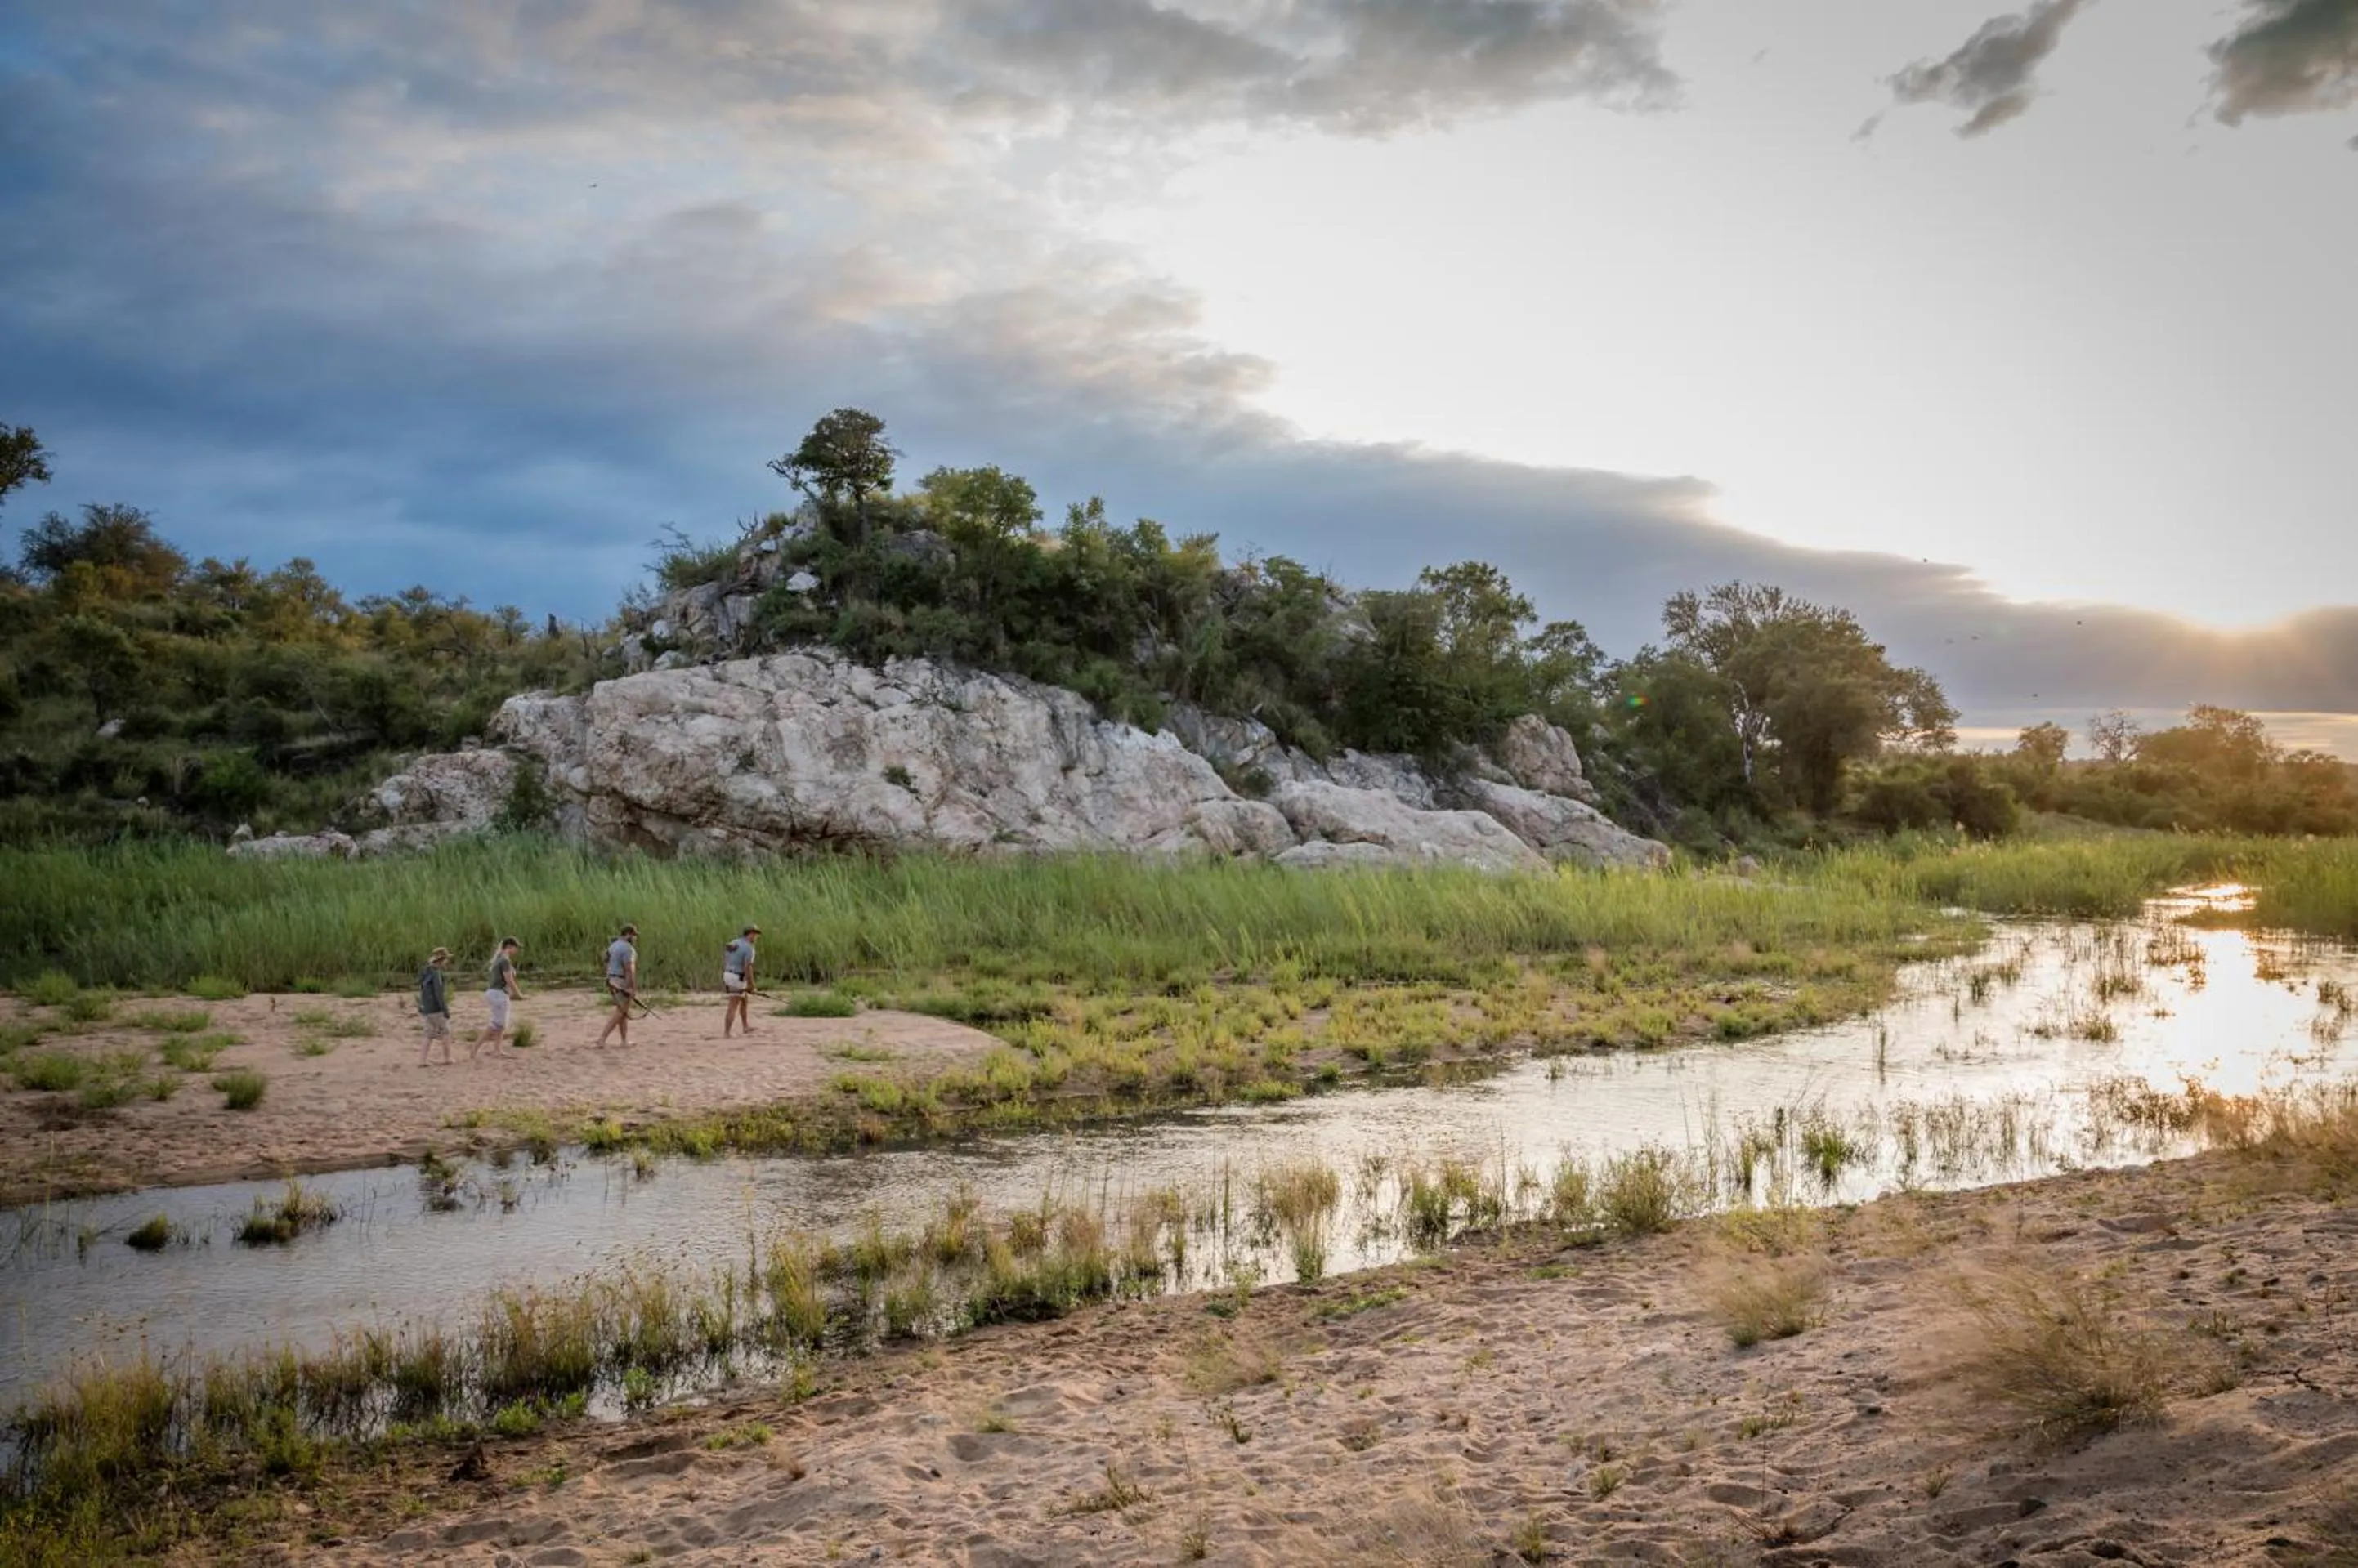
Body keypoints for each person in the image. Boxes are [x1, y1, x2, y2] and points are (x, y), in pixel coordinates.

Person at [472, 937, 525, 1062]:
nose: (516, 950)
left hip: (496, 994)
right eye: (516, 947)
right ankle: (474, 1049)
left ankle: (497, 1050)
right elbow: (509, 979)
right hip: (498, 994)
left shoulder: (500, 959)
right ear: (510, 947)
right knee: (496, 1024)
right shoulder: (504, 960)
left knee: (501, 1024)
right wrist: (518, 993)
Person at [596, 923, 639, 1048]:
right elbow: (629, 970)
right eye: (634, 935)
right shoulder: (628, 949)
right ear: (628, 934)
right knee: (621, 1011)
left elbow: (605, 960)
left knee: (622, 1011)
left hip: (611, 980)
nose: (635, 938)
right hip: (620, 981)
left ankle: (624, 1040)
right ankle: (602, 1038)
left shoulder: (613, 946)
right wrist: (631, 987)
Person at [721, 924, 760, 1038]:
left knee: (744, 1000)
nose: (756, 938)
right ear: (751, 934)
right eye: (755, 935)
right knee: (733, 1004)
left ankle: (745, 1026)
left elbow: (728, 958)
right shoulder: (749, 948)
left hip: (728, 974)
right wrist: (752, 984)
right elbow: (748, 967)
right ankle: (727, 1033)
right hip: (737, 977)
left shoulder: (733, 943)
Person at [418, 947, 454, 1066]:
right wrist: (444, 1009)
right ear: (441, 960)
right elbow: (438, 992)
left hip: (427, 1008)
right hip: (436, 1008)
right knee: (446, 1031)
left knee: (428, 1034)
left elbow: (422, 989)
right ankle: (447, 1058)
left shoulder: (426, 972)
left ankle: (422, 1060)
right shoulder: (436, 973)